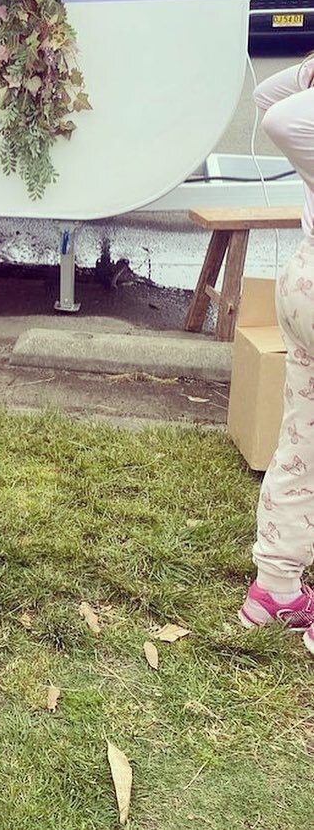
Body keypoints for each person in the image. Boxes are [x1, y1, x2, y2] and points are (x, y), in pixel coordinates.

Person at [237, 56, 314, 656]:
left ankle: (276, 588)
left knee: (302, 440)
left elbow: (271, 95)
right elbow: (283, 115)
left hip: (303, 284)